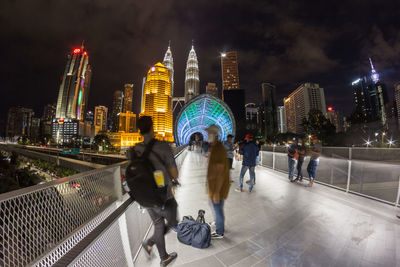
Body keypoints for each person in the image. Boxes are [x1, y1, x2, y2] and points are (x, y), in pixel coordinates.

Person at [129, 116, 179, 267]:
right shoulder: (162, 146)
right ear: (152, 127)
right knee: (172, 222)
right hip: (164, 196)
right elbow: (175, 174)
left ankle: (164, 257)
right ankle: (150, 243)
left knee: (158, 224)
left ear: (139, 130)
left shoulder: (133, 150)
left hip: (145, 196)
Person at [206, 125, 230, 239]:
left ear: (214, 135)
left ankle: (220, 231)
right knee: (214, 205)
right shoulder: (215, 147)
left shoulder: (219, 148)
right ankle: (217, 222)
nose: (207, 136)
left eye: (209, 134)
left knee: (218, 207)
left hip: (218, 187)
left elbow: (220, 172)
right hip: (214, 186)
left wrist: (216, 191)